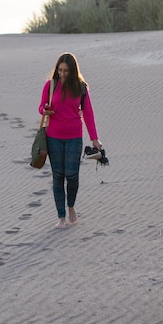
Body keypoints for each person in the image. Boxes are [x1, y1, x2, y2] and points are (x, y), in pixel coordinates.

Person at [38, 52, 102, 229]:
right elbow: (41, 106)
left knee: (72, 175)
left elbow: (88, 114)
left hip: (74, 136)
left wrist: (94, 138)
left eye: (66, 71)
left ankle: (71, 206)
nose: (62, 74)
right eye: (60, 70)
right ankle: (61, 217)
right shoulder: (50, 85)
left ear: (73, 71)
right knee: (58, 176)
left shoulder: (81, 88)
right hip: (53, 137)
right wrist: (45, 110)